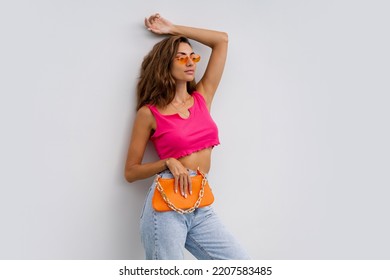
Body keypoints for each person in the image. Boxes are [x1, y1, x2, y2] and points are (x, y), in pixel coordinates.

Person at [124, 13, 249, 260]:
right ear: (165, 64)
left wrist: (173, 29)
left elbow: (221, 40)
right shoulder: (149, 113)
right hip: (166, 206)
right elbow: (130, 172)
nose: (190, 62)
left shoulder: (203, 96)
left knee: (240, 265)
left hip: (200, 202)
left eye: (193, 56)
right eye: (181, 58)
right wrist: (167, 162)